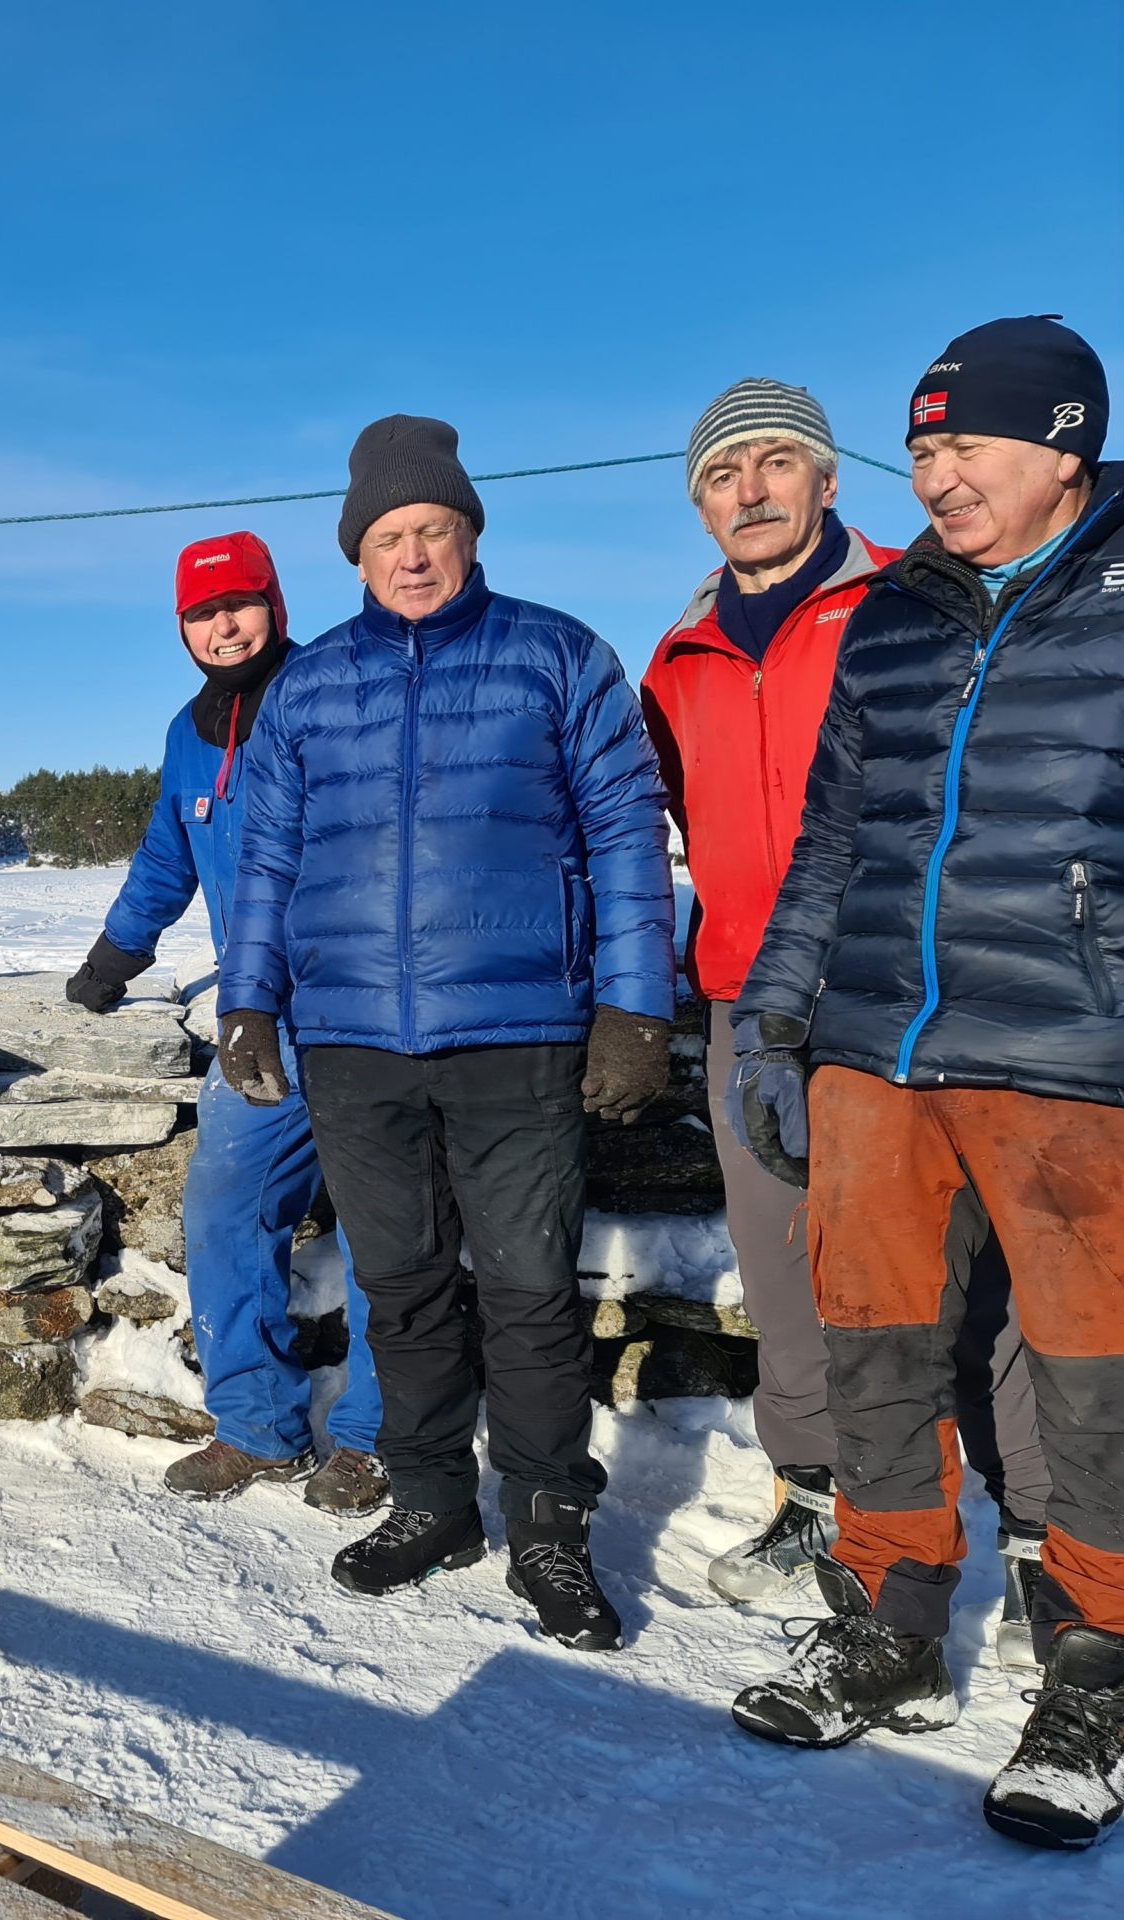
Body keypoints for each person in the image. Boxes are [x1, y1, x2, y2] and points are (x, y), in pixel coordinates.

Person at [724, 318, 1124, 1851]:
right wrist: (776, 1021)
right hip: (878, 1049)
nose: (938, 477)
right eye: (922, 451)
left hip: (1072, 1054)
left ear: (1065, 447)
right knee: (875, 1350)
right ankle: (891, 1624)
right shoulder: (893, 613)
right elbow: (836, 836)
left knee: (1095, 1379)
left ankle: (1096, 1668)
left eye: (965, 446)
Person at [217, 416, 677, 1652]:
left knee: (527, 1293)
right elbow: (267, 857)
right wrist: (248, 994)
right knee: (403, 1291)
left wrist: (636, 1003)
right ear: (355, 553)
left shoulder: (555, 656)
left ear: (468, 534)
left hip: (517, 1030)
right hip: (353, 1038)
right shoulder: (310, 686)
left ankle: (545, 1525)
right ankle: (430, 1502)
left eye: (432, 530)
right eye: (387, 537)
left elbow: (625, 832)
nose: (411, 556)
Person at [643, 379, 1050, 1648]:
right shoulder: (677, 659)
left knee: (975, 1276)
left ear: (827, 478)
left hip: (905, 988)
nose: (749, 490)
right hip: (744, 999)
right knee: (781, 1267)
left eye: (775, 462)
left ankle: (1039, 1539)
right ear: (700, 507)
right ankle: (817, 1501)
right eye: (722, 475)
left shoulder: (915, 603)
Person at [66, 533, 387, 1513]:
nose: (223, 627)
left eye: (239, 606)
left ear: (275, 606)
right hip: (260, 1023)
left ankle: (378, 1437)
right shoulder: (187, 734)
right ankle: (257, 1427)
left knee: (387, 1225)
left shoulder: (337, 693)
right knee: (222, 1206)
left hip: (369, 1008)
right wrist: (114, 957)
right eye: (202, 614)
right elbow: (169, 853)